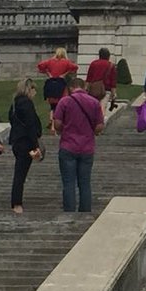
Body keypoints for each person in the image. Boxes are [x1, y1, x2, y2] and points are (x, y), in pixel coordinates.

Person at [52, 74, 104, 212]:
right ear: (84, 87)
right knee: (85, 183)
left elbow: (57, 124)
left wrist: (65, 129)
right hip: (87, 147)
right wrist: (91, 131)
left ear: (71, 88)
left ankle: (69, 212)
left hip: (68, 146)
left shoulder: (64, 102)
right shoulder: (94, 103)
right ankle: (85, 212)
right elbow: (99, 126)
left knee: (69, 183)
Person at [7, 78, 43, 215]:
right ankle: (16, 202)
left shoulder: (15, 103)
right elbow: (31, 125)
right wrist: (36, 145)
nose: (35, 92)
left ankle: (16, 201)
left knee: (20, 172)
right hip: (26, 142)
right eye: (34, 89)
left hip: (17, 141)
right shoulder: (27, 104)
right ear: (29, 89)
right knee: (20, 174)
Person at [37, 47, 78, 125]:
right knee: (61, 104)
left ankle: (51, 121)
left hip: (51, 83)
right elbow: (75, 67)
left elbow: (40, 66)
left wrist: (48, 73)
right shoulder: (66, 62)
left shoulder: (50, 61)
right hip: (61, 83)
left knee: (52, 105)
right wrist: (65, 73)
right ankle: (60, 121)